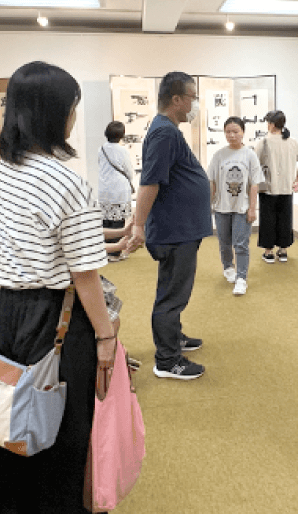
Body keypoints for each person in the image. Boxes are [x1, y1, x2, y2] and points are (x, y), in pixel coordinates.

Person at [0, 61, 115, 514]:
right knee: (62, 429)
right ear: (57, 113)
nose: (75, 117)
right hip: (57, 318)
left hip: (9, 313)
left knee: (10, 421)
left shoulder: (5, 171)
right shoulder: (66, 181)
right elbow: (84, 275)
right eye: (73, 107)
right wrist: (105, 335)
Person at [126, 71, 212, 380]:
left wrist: (138, 220)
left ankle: (173, 338)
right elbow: (150, 182)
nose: (195, 104)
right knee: (172, 294)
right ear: (177, 99)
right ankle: (167, 360)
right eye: (192, 97)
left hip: (181, 227)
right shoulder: (164, 132)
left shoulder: (167, 130)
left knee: (176, 289)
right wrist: (138, 226)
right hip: (176, 231)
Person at [208, 116, 263, 296]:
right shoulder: (219, 155)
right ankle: (227, 267)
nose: (231, 135)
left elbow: (254, 184)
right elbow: (213, 181)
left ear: (242, 133)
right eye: (228, 132)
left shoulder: (249, 154)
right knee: (224, 242)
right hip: (222, 207)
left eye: (235, 131)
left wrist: (252, 208)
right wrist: (209, 203)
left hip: (242, 206)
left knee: (241, 244)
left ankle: (241, 278)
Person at [254, 110, 298, 264]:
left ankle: (268, 252)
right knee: (285, 218)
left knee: (268, 218)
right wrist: (297, 180)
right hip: (287, 188)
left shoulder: (264, 142)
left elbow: (254, 163)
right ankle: (283, 251)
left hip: (268, 188)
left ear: (271, 124)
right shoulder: (292, 142)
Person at [98, 121, 134, 261]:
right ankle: (115, 252)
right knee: (118, 221)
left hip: (104, 189)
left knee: (105, 221)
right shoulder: (123, 151)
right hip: (119, 189)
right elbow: (129, 171)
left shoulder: (100, 149)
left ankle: (104, 251)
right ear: (121, 135)